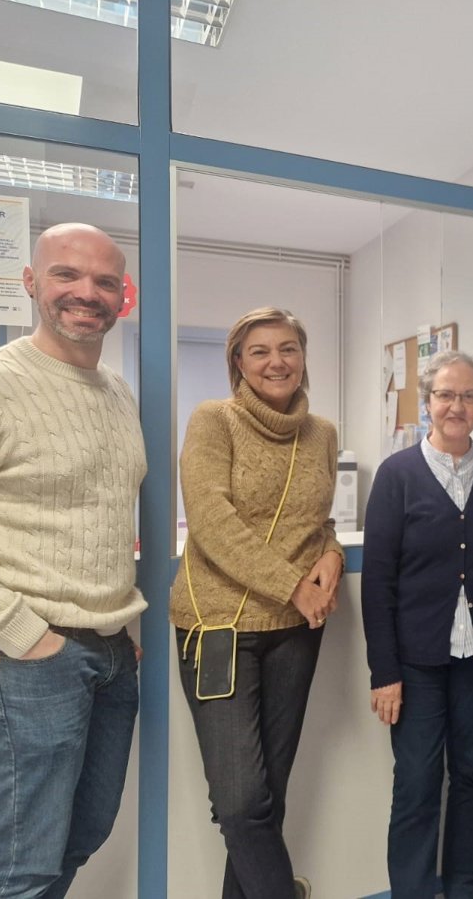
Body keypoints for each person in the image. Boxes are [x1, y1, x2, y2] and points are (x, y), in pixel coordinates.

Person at [0, 223, 145, 898]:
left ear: (122, 295)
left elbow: (97, 519)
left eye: (105, 281)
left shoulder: (117, 394)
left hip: (105, 653)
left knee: (80, 836)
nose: (87, 292)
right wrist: (31, 637)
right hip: (16, 655)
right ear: (30, 282)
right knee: (20, 865)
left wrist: (114, 623)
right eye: (66, 274)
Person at [170, 307, 342, 899]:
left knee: (268, 799)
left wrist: (332, 554)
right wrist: (293, 583)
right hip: (217, 626)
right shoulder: (213, 420)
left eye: (288, 348)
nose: (277, 361)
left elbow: (318, 521)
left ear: (303, 357)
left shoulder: (322, 433)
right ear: (238, 363)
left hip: (296, 629)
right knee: (241, 803)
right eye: (260, 351)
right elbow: (211, 520)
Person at [362, 350, 473, 899]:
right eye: (445, 395)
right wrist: (384, 673)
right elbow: (378, 583)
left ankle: (463, 886)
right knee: (416, 782)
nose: (456, 406)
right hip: (416, 660)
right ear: (427, 402)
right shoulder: (397, 475)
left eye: (468, 396)